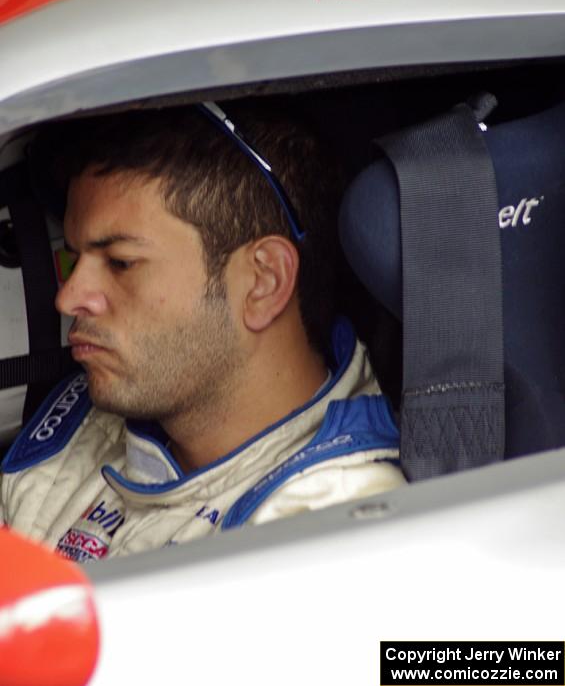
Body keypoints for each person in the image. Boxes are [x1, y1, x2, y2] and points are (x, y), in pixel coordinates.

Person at [0, 101, 403, 562]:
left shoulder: (330, 539)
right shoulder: (88, 419)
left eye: (120, 263)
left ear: (262, 282)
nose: (68, 298)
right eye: (74, 259)